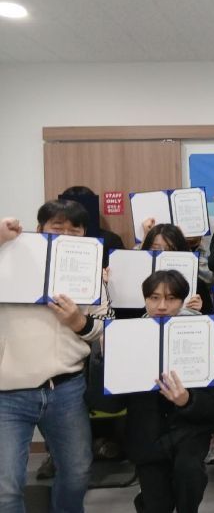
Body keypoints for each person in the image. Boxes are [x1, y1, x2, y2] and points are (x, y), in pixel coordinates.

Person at [0, 202, 111, 513]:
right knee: (6, 488)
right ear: (40, 229)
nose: (66, 235)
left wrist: (79, 322)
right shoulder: (8, 259)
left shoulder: (88, 270)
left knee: (77, 474)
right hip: (8, 392)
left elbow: (105, 328)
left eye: (75, 229)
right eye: (57, 227)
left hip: (66, 389)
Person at [126, 270, 214, 513]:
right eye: (154, 297)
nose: (162, 306)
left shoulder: (203, 334)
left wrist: (188, 400)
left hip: (189, 431)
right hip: (147, 433)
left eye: (171, 298)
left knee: (189, 477)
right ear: (145, 299)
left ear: (182, 301)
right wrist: (105, 361)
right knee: (157, 503)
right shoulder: (128, 336)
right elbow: (106, 402)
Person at [140, 223, 211, 314]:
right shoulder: (134, 280)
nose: (162, 254)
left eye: (169, 249)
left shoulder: (197, 285)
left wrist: (196, 312)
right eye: (155, 249)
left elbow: (209, 318)